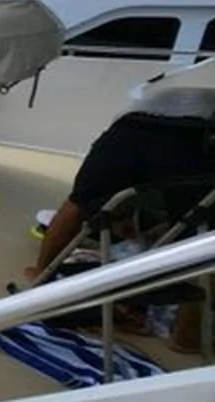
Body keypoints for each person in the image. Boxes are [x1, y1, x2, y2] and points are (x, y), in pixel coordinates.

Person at [26, 86, 215, 283]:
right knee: (198, 231)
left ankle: (40, 273)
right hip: (198, 137)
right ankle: (188, 307)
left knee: (77, 204)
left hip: (133, 127)